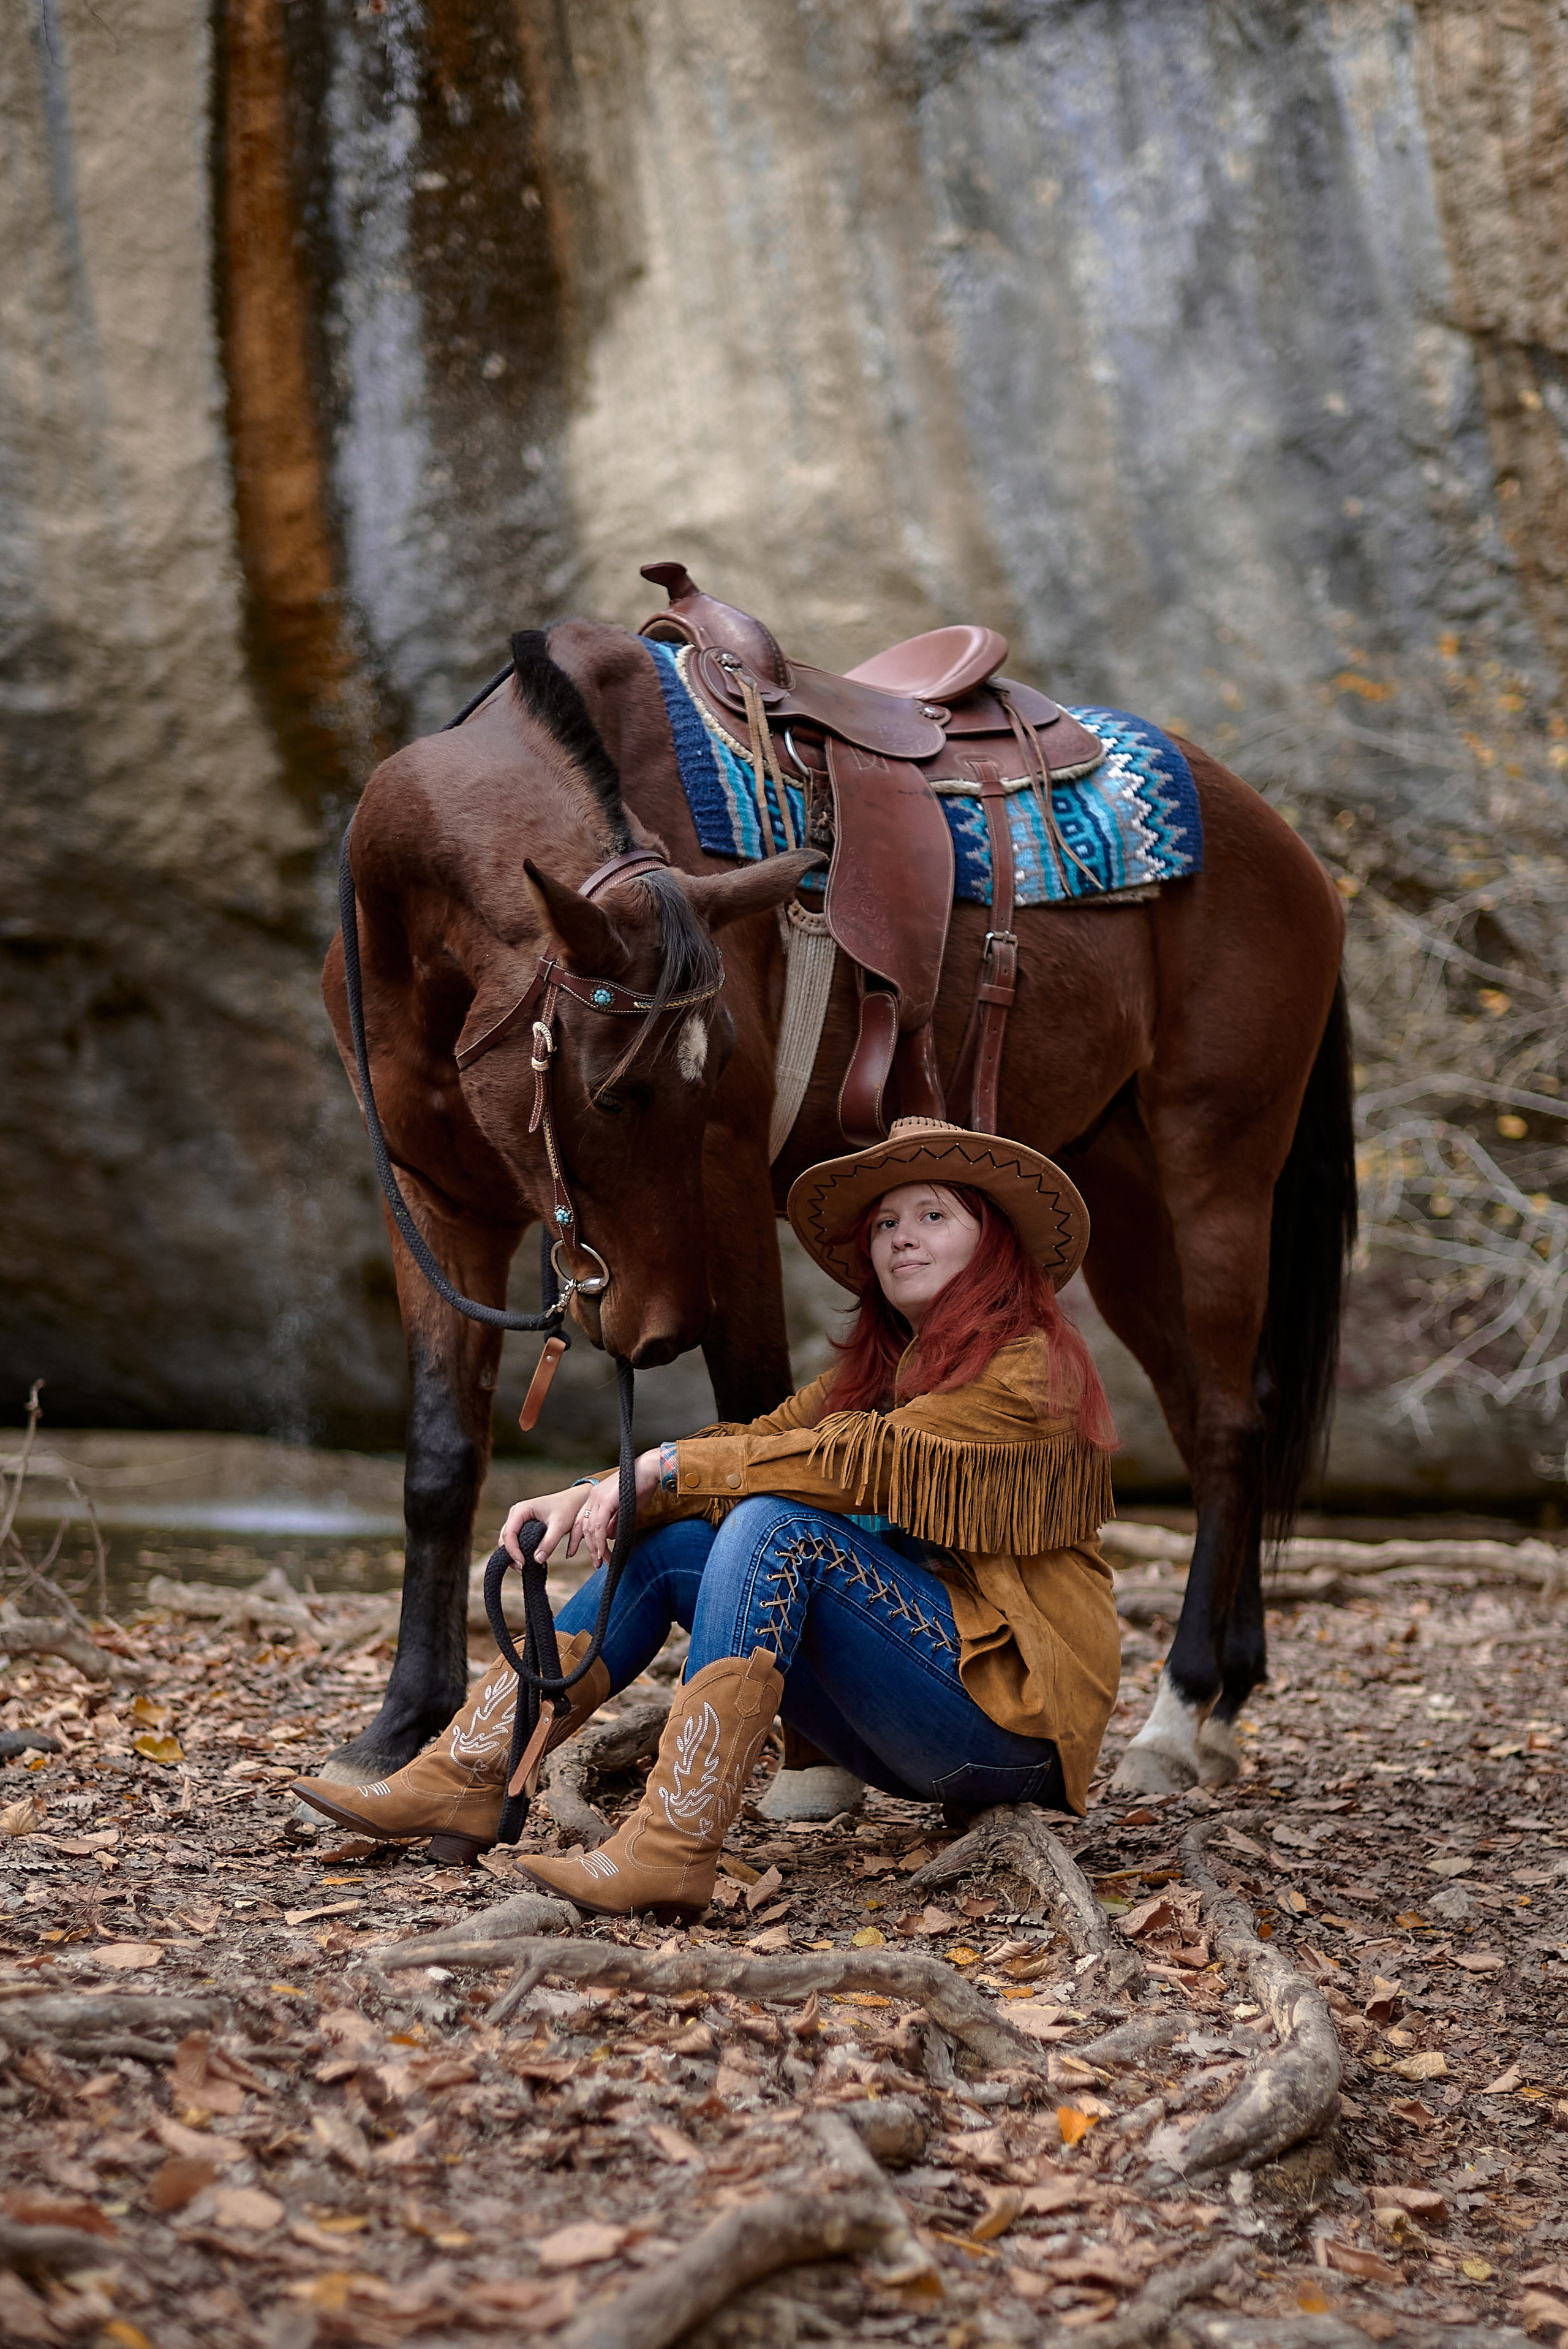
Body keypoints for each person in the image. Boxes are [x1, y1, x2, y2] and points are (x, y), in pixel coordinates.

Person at [294, 1118, 1121, 1921]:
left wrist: (663, 1469)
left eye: (933, 1215)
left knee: (773, 1525)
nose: (901, 1236)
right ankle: (469, 1771)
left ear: (993, 1240)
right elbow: (757, 1441)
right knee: (675, 1541)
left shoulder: (1029, 1365)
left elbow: (859, 1464)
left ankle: (675, 1840)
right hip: (913, 1718)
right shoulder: (884, 1369)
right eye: (886, 1223)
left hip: (1011, 1724)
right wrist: (595, 1489)